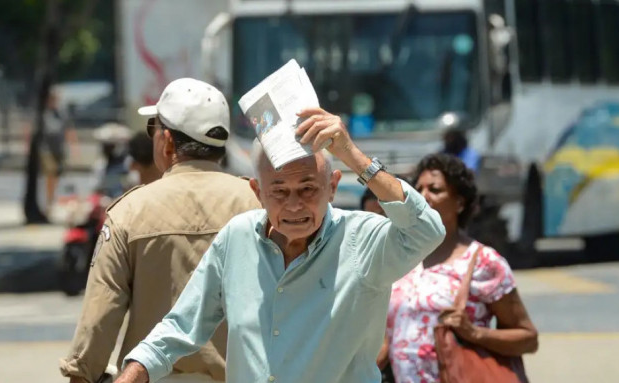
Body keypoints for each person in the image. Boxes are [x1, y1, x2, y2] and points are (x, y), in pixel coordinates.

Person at [116, 107, 446, 383]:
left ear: (332, 187)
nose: (294, 206)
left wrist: (351, 155)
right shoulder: (237, 237)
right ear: (257, 192)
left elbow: (427, 230)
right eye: (279, 192)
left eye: (307, 189)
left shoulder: (363, 240)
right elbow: (180, 328)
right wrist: (130, 376)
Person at [60, 78, 261, 383]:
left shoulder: (129, 212)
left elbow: (98, 321)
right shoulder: (260, 205)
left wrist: (81, 374)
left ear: (166, 141)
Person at [378, 153, 538, 382]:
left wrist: (474, 333)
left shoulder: (483, 262)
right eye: (419, 190)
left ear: (460, 203)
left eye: (435, 190)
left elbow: (528, 338)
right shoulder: (403, 256)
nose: (424, 197)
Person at [42, 89, 79, 210]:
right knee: (50, 172)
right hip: (46, 148)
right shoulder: (43, 113)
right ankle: (49, 198)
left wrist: (74, 147)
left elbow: (69, 129)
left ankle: (52, 196)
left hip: (59, 148)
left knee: (57, 174)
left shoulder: (61, 113)